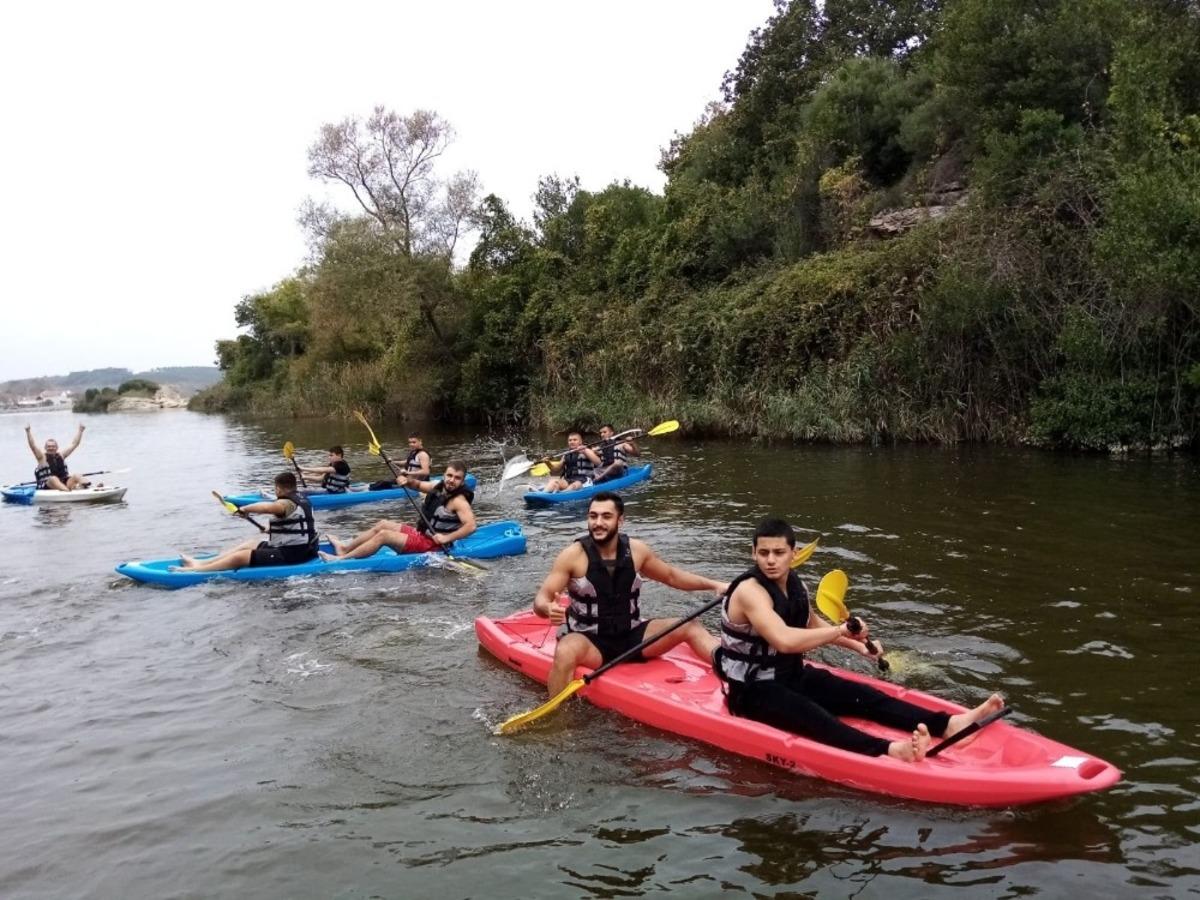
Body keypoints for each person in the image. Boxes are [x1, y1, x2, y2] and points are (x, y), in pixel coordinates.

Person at [715, 518, 1005, 762]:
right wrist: (841, 630)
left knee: (866, 696)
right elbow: (785, 641)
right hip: (753, 692)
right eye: (763, 552)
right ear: (753, 553)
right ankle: (891, 751)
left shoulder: (796, 584)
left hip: (793, 676)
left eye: (778, 552)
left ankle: (949, 724)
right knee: (819, 719)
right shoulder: (749, 592)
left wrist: (857, 645)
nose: (770, 559)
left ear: (794, 553)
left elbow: (813, 626)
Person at [533, 491, 728, 696]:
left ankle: (730, 668)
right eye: (593, 516)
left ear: (621, 520)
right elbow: (541, 599)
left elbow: (672, 576)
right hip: (590, 641)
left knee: (690, 626)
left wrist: (714, 584)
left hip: (632, 637)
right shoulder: (572, 556)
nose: (598, 522)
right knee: (565, 650)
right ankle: (558, 721)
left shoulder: (637, 551)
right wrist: (547, 608)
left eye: (606, 516)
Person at [322, 459, 476, 560]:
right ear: (444, 475)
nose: (451, 480)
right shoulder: (438, 485)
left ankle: (341, 560)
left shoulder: (459, 501)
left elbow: (471, 526)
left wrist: (447, 538)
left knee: (384, 535)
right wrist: (406, 480)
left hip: (433, 545)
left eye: (457, 478)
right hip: (422, 534)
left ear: (462, 482)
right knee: (383, 524)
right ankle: (344, 548)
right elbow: (417, 485)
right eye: (449, 475)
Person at [176, 472, 318, 571]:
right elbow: (298, 524)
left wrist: (245, 509)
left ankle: (197, 571)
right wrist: (270, 530)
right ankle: (202, 562)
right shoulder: (301, 498)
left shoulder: (286, 503)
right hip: (300, 548)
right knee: (250, 544)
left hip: (295, 554)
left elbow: (266, 507)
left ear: (278, 489)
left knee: (241, 557)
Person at [25, 423, 86, 491]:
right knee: (53, 478)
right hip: (47, 485)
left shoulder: (61, 455)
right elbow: (33, 446)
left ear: (57, 448)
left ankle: (88, 487)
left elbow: (74, 444)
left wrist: (80, 431)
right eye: (49, 446)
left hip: (63, 482)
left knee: (76, 475)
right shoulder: (42, 458)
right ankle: (68, 492)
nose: (51, 448)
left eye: (53, 446)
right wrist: (28, 431)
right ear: (45, 448)